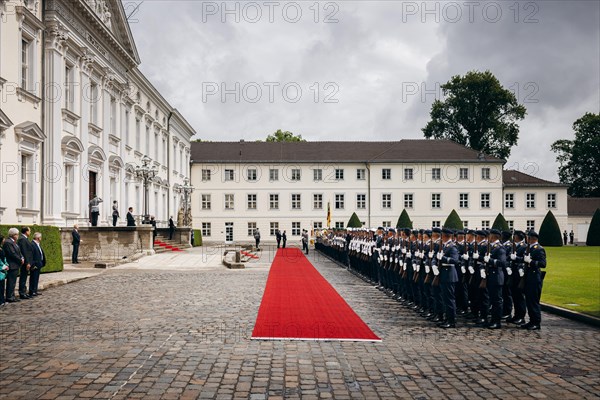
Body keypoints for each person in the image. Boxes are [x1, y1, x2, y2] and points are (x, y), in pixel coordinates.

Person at [521, 230, 546, 330]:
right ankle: (531, 321)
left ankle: (536, 322)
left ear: (532, 238)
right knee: (529, 301)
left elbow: (543, 264)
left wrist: (531, 262)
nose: (526, 239)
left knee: (533, 301)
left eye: (528, 237)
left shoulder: (539, 249)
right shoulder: (529, 248)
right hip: (528, 277)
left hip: (534, 278)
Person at [2, 228, 24, 303]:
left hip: (15, 265)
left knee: (13, 282)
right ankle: (9, 296)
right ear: (13, 235)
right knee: (11, 282)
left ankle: (12, 295)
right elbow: (12, 254)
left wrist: (22, 257)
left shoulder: (14, 242)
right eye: (17, 234)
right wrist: (20, 260)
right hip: (12, 265)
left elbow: (18, 252)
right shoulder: (8, 242)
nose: (18, 236)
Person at [17, 227, 34, 300]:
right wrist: (27, 263)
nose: (30, 232)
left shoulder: (25, 239)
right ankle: (22, 293)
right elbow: (24, 252)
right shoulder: (22, 239)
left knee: (24, 277)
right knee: (23, 278)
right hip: (25, 263)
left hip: (27, 262)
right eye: (29, 231)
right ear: (26, 231)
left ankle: (23, 291)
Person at [29, 232, 46, 297]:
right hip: (35, 264)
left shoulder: (37, 244)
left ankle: (35, 290)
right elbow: (31, 256)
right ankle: (32, 291)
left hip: (39, 264)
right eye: (40, 237)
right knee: (33, 278)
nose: (41, 238)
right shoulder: (32, 244)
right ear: (38, 238)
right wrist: (33, 264)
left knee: (36, 278)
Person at [0, 235, 8, 308]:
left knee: (2, 286)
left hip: (3, 270)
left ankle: (2, 300)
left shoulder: (1, 249)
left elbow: (4, 258)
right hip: (1, 269)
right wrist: (3, 266)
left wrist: (6, 264)